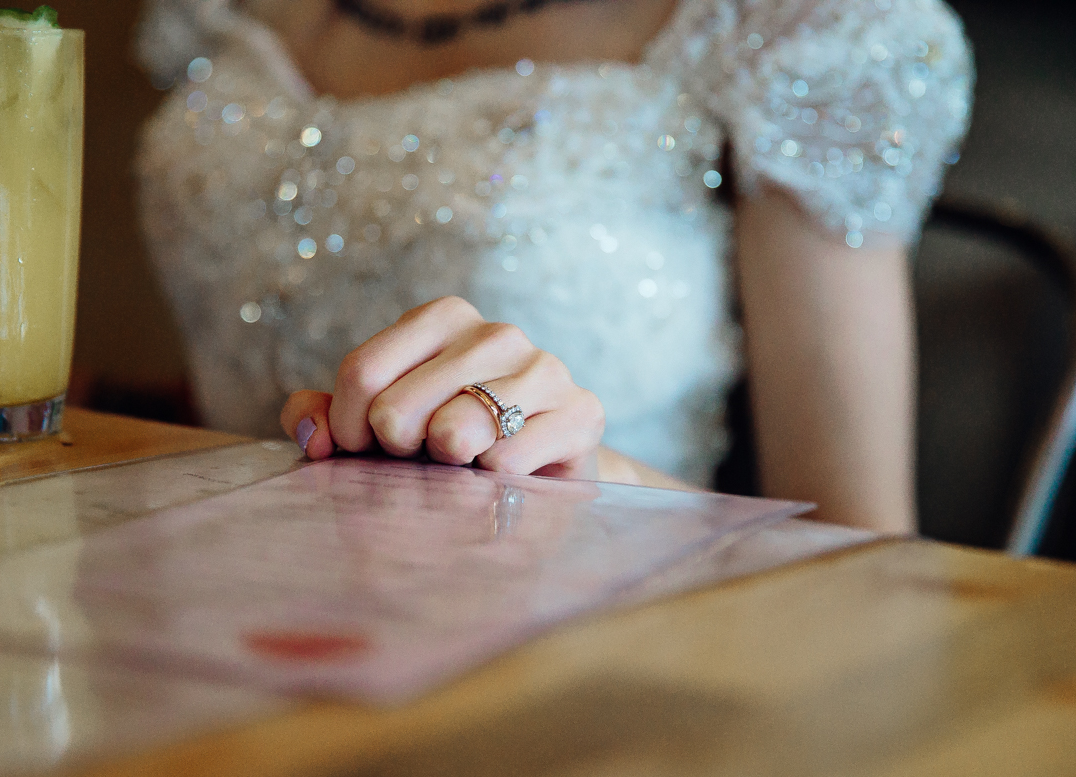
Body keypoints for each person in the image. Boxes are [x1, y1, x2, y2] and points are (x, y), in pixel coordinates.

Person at [134, 0, 973, 531]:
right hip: (225, 624)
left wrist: (602, 482)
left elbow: (857, 552)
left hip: (598, 669)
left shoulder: (798, 28)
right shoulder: (216, 18)